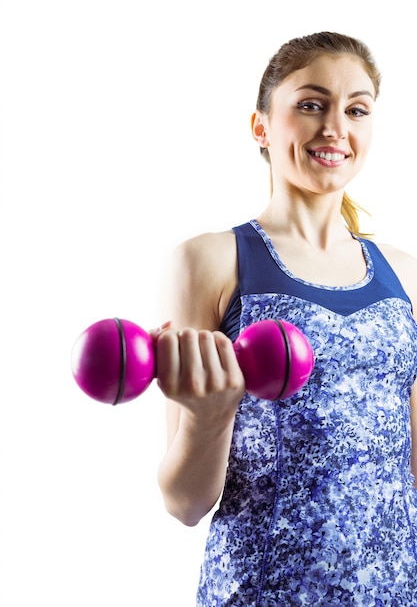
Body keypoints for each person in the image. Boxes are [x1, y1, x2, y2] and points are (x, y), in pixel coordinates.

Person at [154, 31, 417, 606]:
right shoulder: (212, 261)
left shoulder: (405, 274)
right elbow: (185, 504)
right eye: (310, 104)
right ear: (261, 128)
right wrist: (210, 415)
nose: (334, 128)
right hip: (261, 591)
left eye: (356, 110)